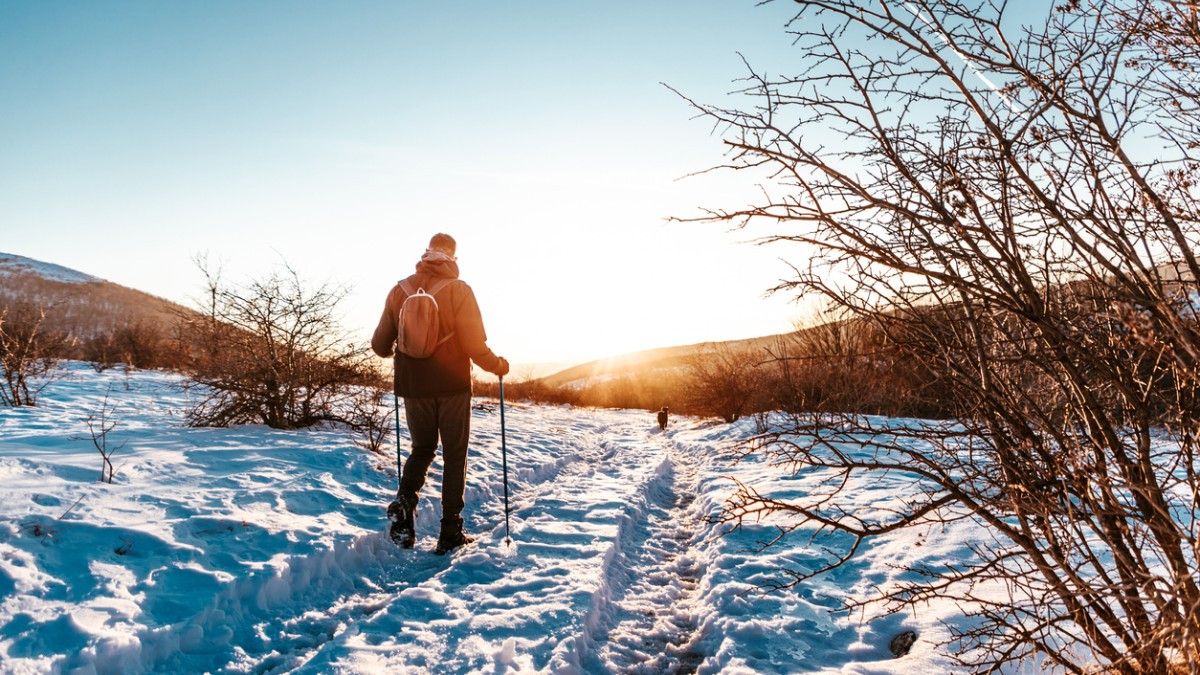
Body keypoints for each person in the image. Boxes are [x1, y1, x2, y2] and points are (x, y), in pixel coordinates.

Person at [371, 233, 509, 554]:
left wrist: (403, 350)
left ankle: (405, 501)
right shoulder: (459, 290)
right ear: (453, 258)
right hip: (452, 386)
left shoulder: (400, 290)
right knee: (454, 455)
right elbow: (474, 345)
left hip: (413, 386)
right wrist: (498, 366)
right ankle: (450, 533)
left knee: (422, 449)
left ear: (426, 252)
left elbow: (379, 345)